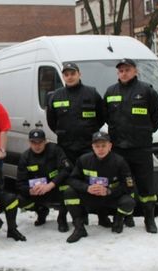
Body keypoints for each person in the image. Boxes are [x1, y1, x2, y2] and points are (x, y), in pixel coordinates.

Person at [103, 58, 158, 233]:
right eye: (121, 70)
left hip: (141, 147)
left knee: (146, 186)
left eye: (127, 70)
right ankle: (125, 216)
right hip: (119, 148)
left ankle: (149, 219)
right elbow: (106, 115)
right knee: (122, 184)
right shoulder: (111, 91)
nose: (124, 73)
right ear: (117, 73)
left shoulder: (146, 90)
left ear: (135, 71)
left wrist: (145, 131)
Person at [46, 62, 108, 226]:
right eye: (66, 74)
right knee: (65, 182)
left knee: (93, 179)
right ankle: (63, 217)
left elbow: (102, 117)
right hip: (66, 148)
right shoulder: (56, 96)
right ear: (63, 77)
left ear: (79, 74)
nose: (70, 76)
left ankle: (101, 215)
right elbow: (52, 122)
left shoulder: (92, 93)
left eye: (72, 73)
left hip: (88, 147)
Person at [63, 131, 136, 243]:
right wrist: (87, 188)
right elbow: (72, 179)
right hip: (91, 196)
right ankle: (79, 228)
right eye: (97, 146)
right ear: (92, 147)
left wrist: (109, 191)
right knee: (69, 192)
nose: (100, 149)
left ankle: (119, 218)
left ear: (110, 146)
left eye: (103, 146)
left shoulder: (119, 161)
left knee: (129, 202)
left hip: (111, 197)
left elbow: (129, 185)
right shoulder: (83, 160)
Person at [16, 129, 72, 232]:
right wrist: (30, 190)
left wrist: (50, 185)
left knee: (69, 190)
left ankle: (62, 218)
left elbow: (66, 169)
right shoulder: (25, 157)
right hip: (38, 191)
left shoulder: (55, 150)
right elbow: (20, 183)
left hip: (55, 187)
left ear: (45, 141)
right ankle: (41, 211)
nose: (37, 145)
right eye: (33, 142)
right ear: (29, 142)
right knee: (18, 200)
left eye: (40, 142)